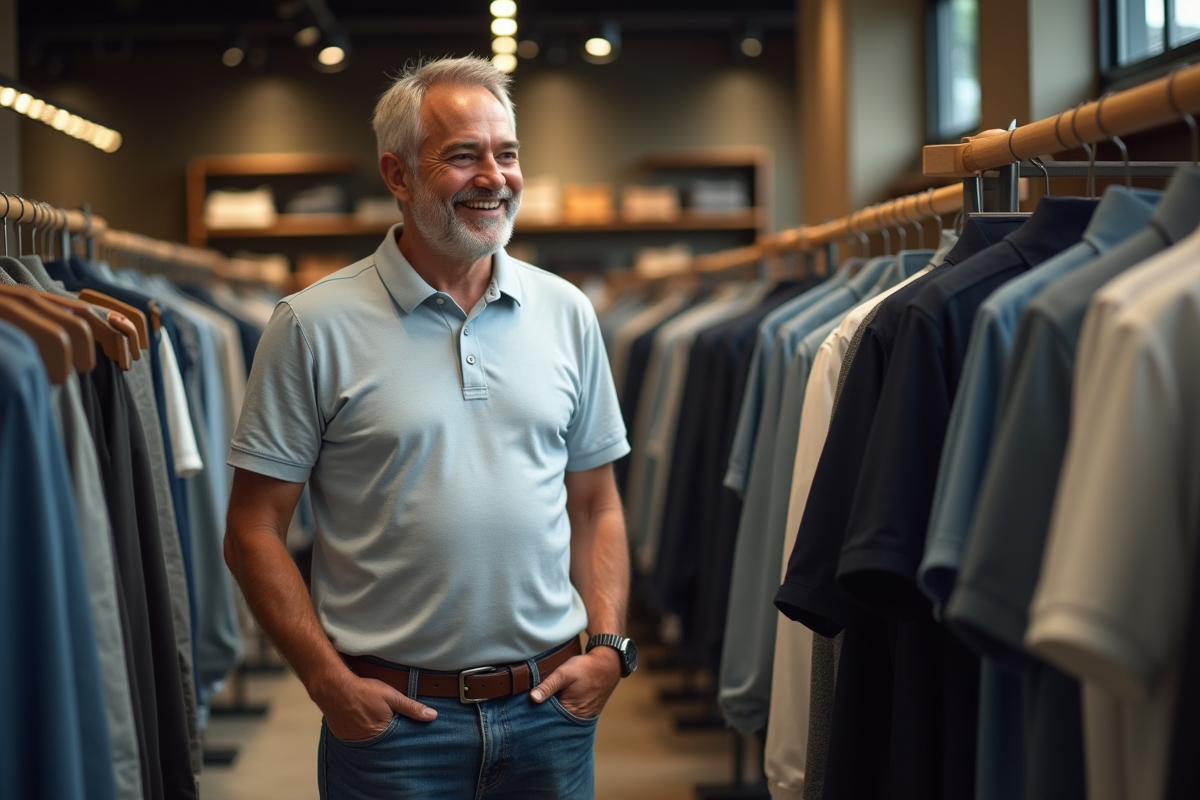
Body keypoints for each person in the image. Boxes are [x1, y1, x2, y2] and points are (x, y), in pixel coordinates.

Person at [223, 55, 638, 799]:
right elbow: (253, 529)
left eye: (507, 154)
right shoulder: (311, 326)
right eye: (463, 156)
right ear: (397, 175)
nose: (495, 176)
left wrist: (608, 647)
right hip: (394, 730)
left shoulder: (567, 312)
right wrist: (326, 682)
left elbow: (597, 504)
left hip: (551, 714)